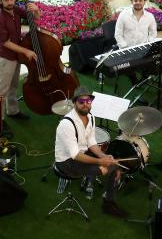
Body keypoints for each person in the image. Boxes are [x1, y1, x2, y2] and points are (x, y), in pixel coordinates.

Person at [53, 86, 127, 217]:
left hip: (82, 154)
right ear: (74, 103)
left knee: (114, 165)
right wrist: (100, 161)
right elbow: (75, 154)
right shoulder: (67, 124)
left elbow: (91, 142)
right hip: (67, 162)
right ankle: (108, 204)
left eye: (88, 101)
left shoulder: (91, 117)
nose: (85, 104)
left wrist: (104, 156)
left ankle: (108, 199)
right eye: (81, 101)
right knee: (108, 169)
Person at [0, 0, 40, 121]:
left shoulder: (16, 10)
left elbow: (34, 18)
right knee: (1, 91)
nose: (9, 2)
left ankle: (13, 111)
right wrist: (26, 51)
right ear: (0, 1)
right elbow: (5, 42)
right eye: (6, 0)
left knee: (13, 86)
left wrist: (36, 10)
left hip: (16, 56)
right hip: (6, 57)